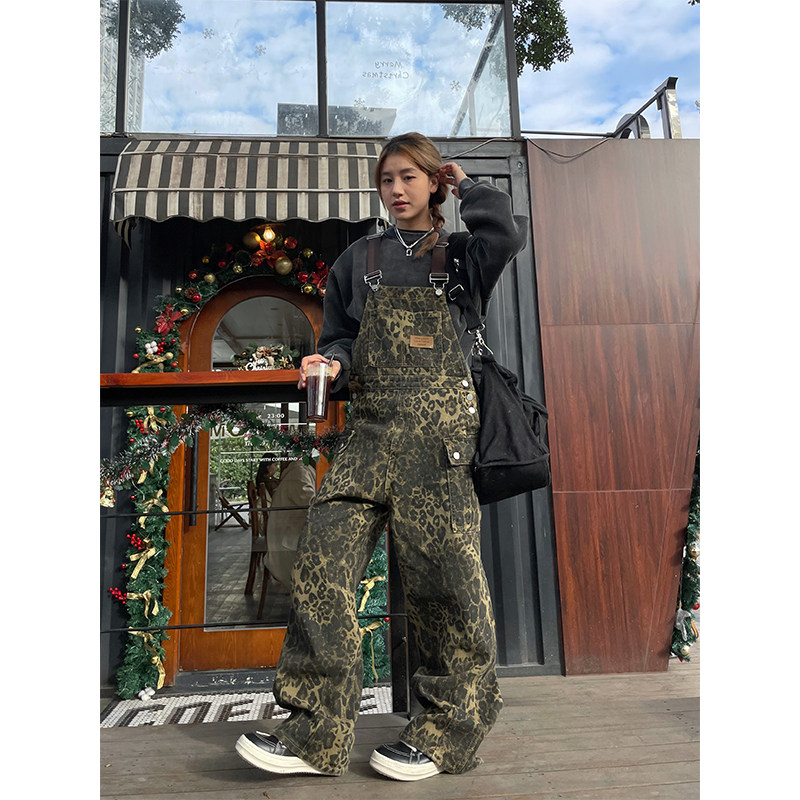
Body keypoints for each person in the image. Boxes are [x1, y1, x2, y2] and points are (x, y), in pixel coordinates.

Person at [235, 132, 527, 781]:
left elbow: (506, 234)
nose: (396, 189)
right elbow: (341, 337)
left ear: (433, 182)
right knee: (321, 569)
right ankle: (314, 733)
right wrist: (328, 362)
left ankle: (446, 733)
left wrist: (468, 183)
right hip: (367, 437)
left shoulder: (465, 254)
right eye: (387, 179)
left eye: (409, 176)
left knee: (446, 587)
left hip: (439, 443)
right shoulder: (357, 259)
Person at [264, 459, 317, 591]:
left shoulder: (300, 471)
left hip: (288, 532)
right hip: (286, 540)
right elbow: (312, 506)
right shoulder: (300, 473)